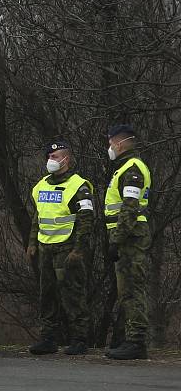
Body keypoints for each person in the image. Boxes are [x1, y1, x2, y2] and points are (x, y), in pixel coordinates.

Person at [26, 140, 94, 356]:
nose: (50, 161)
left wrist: (79, 250)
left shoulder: (78, 186)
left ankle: (80, 339)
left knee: (72, 294)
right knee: (47, 294)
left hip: (67, 248)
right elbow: (38, 216)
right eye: (49, 157)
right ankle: (48, 339)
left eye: (55, 157)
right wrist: (32, 243)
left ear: (67, 159)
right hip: (46, 247)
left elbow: (86, 220)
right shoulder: (41, 185)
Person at [104, 125, 152, 360]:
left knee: (132, 289)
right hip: (127, 236)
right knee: (126, 291)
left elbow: (129, 209)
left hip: (131, 236)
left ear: (120, 144)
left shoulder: (132, 170)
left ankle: (137, 342)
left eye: (111, 142)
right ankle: (131, 339)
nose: (109, 147)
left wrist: (117, 239)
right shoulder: (124, 168)